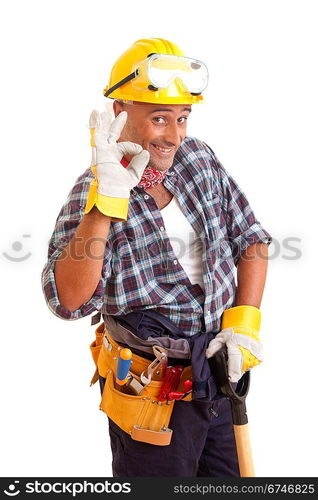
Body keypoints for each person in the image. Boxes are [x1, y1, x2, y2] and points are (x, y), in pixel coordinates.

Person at [42, 37, 271, 477]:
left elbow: (253, 240)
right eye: (160, 118)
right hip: (151, 401)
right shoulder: (91, 192)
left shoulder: (198, 160)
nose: (175, 135)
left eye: (182, 117)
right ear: (120, 113)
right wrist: (105, 204)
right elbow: (68, 301)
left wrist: (243, 325)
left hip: (219, 375)